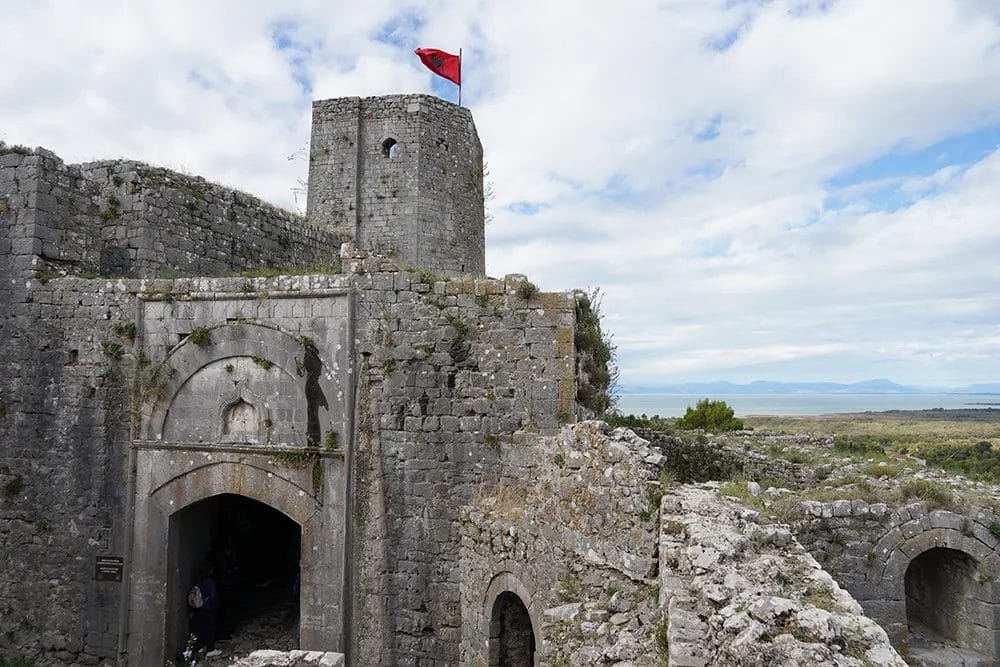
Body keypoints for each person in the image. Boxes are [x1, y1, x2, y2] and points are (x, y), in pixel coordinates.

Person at [190, 560, 220, 655]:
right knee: (210, 629)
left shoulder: (198, 581)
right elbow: (213, 595)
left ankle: (201, 646)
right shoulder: (210, 582)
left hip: (199, 608)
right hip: (209, 608)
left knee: (201, 628)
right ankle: (210, 649)